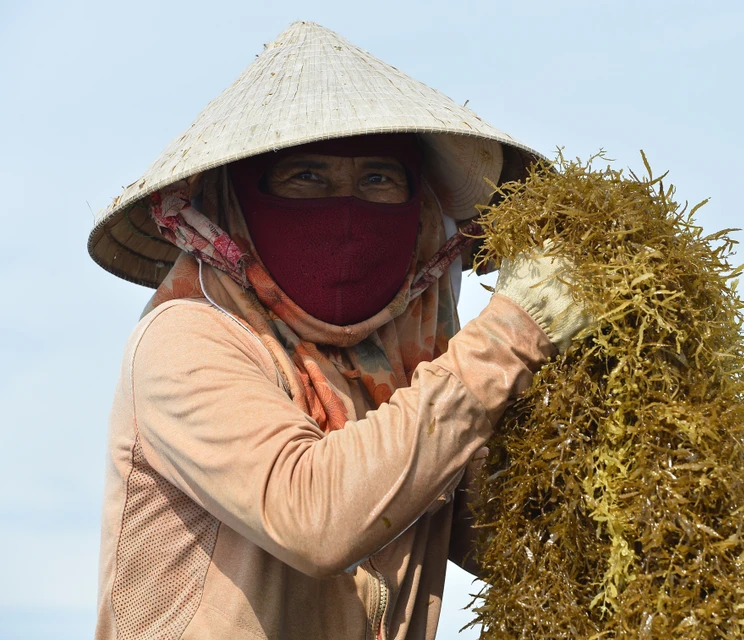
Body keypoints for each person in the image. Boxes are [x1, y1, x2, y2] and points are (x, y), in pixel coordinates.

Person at [88, 21, 589, 640]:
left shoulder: (415, 356)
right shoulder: (189, 340)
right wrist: (512, 333)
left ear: (419, 202)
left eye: (379, 179)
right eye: (306, 178)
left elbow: (497, 533)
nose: (348, 212)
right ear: (239, 199)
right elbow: (316, 517)